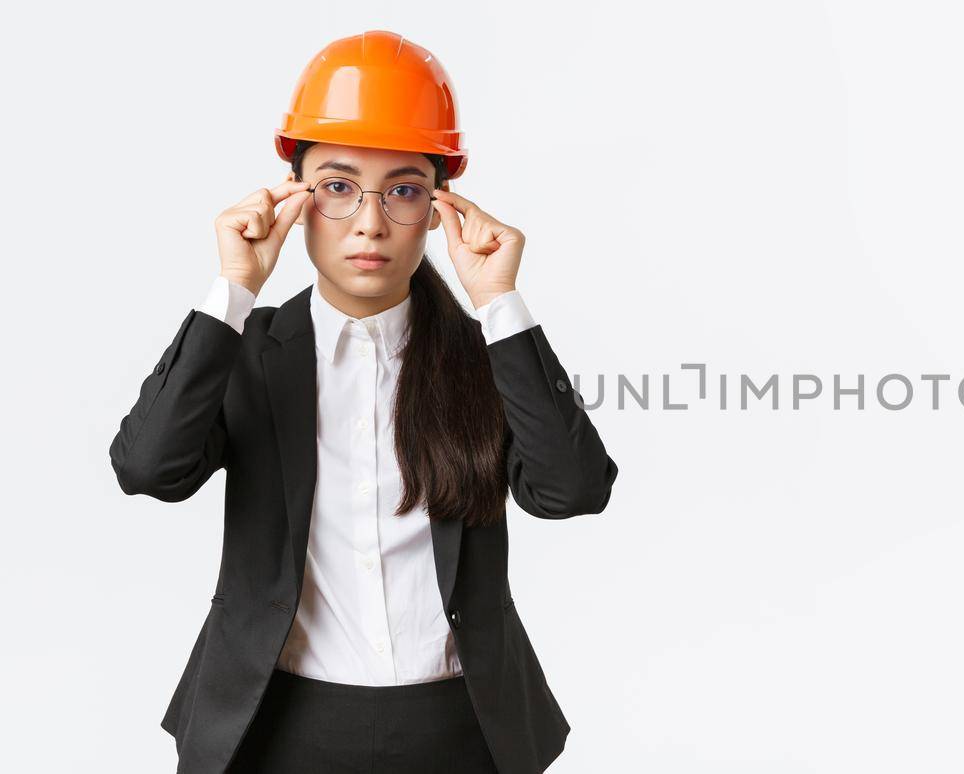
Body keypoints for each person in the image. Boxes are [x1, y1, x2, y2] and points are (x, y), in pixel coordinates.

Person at [108, 30, 618, 774]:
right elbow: (148, 468)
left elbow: (573, 489)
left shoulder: (484, 361)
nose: (371, 222)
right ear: (294, 199)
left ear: (440, 206)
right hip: (274, 727)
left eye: (404, 190)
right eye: (339, 187)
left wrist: (501, 303)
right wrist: (234, 291)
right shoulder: (245, 352)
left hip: (459, 730)